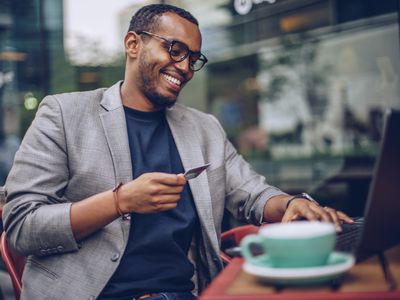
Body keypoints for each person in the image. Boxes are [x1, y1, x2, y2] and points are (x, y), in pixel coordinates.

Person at [2, 4, 353, 300]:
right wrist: (119, 201)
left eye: (193, 58)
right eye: (175, 50)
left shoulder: (204, 128)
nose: (185, 68)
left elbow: (253, 194)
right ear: (133, 44)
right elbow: (22, 227)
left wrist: (290, 204)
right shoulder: (64, 114)